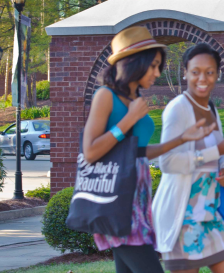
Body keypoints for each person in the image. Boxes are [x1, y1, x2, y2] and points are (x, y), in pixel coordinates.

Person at [81, 26, 216, 273]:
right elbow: (90, 152)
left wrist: (181, 139)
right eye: (153, 65)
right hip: (117, 204)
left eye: (158, 65)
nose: (157, 72)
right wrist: (127, 121)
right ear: (134, 63)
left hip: (138, 202)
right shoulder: (105, 96)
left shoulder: (135, 101)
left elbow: (138, 153)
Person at [153, 43, 224, 273]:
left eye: (209, 72)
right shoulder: (178, 109)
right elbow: (167, 162)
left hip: (210, 215)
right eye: (195, 72)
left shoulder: (211, 109)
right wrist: (217, 151)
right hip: (182, 217)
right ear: (185, 72)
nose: (203, 78)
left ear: (217, 74)